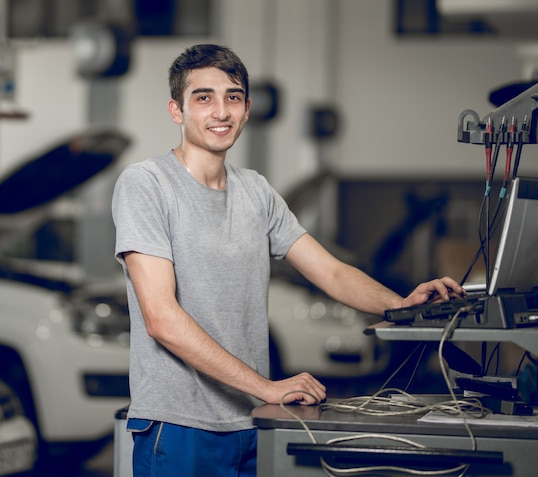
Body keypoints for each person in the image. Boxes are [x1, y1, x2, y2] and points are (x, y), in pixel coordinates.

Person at [111, 43, 466, 477]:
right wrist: (268, 388)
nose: (220, 111)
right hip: (180, 426)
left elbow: (330, 270)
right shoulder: (146, 185)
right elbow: (162, 318)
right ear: (177, 110)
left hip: (252, 421)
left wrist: (402, 306)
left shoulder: (255, 190)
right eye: (204, 97)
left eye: (233, 97)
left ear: (246, 110)